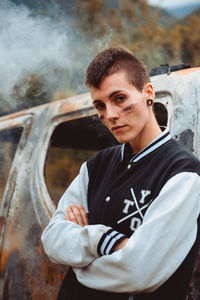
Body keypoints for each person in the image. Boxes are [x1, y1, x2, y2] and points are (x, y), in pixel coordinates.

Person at [41, 46, 200, 300]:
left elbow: (139, 270)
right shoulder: (95, 166)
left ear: (148, 93)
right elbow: (51, 239)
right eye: (99, 105)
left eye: (120, 98)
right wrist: (104, 239)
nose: (110, 115)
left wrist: (78, 261)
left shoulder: (184, 173)